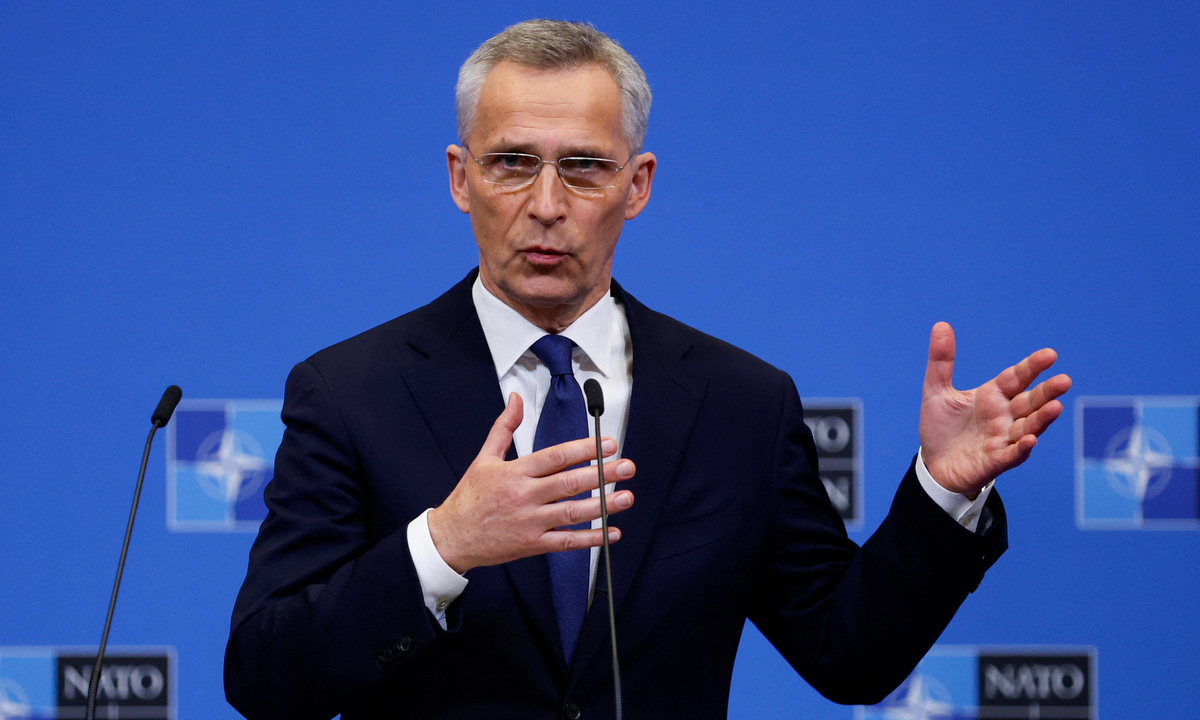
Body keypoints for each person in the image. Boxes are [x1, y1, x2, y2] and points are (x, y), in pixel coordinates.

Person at [224, 19, 1071, 720]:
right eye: (513, 163)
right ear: (460, 178)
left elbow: (847, 654)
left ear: (637, 185)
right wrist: (445, 546)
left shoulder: (742, 403)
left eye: (585, 167)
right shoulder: (350, 393)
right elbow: (265, 675)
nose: (546, 205)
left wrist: (942, 493)